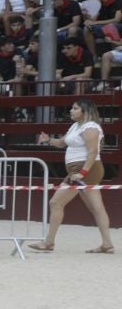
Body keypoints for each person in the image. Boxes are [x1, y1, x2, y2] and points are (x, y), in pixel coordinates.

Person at [30, 99, 114, 253]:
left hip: (84, 169)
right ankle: (107, 244)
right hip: (81, 169)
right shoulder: (76, 126)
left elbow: (93, 152)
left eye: (75, 108)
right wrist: (48, 140)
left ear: (85, 111)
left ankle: (49, 242)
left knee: (55, 203)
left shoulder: (91, 127)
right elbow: (62, 143)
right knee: (97, 208)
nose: (71, 111)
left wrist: (82, 173)